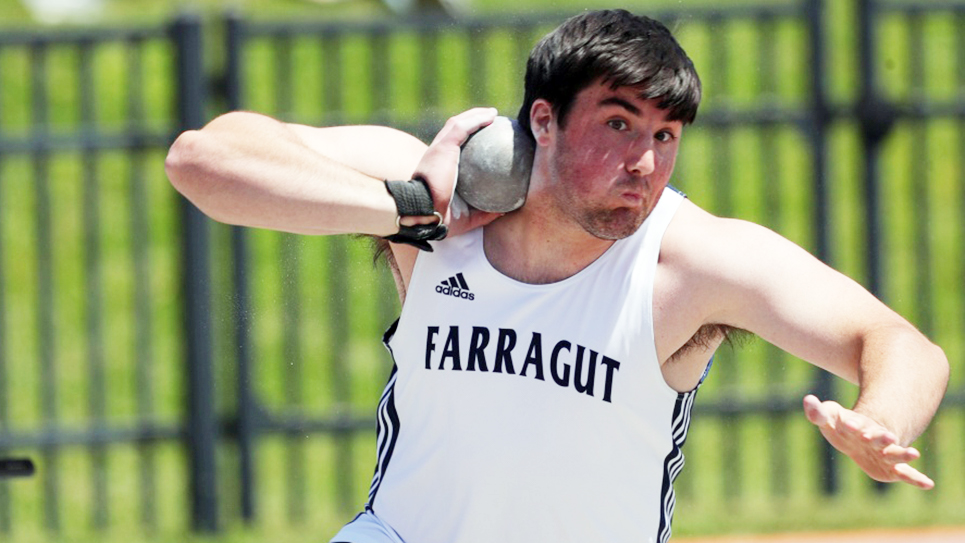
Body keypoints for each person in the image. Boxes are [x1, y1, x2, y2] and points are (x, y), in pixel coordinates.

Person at [164, 9, 949, 543]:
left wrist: (880, 419)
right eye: (616, 125)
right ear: (542, 119)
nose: (643, 163)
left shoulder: (688, 259)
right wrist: (403, 207)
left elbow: (895, 341)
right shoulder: (437, 199)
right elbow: (204, 158)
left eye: (664, 135)